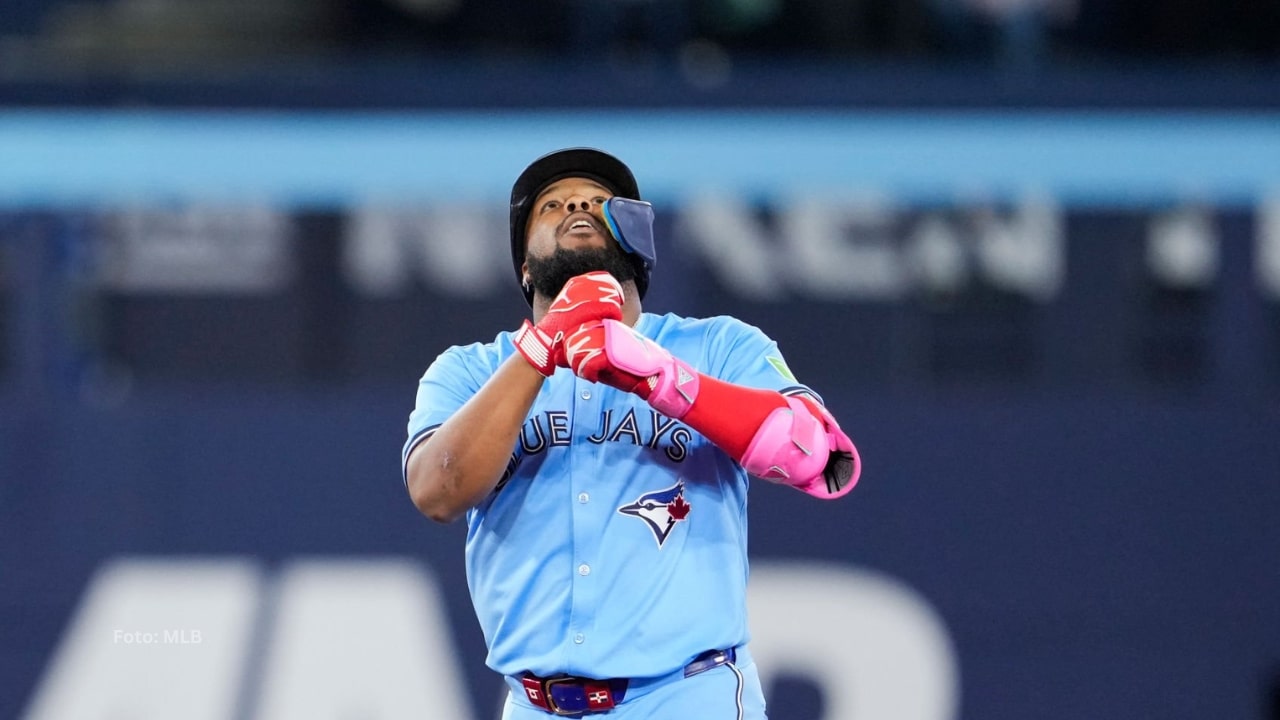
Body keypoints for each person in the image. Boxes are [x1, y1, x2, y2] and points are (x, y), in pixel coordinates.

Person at [402, 147, 861, 719]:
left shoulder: (717, 346)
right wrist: (543, 347)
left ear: (636, 246)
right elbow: (437, 492)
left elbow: (818, 456)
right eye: (550, 205)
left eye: (597, 201)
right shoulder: (471, 370)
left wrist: (667, 382)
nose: (575, 204)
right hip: (534, 704)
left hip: (687, 696)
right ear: (524, 266)